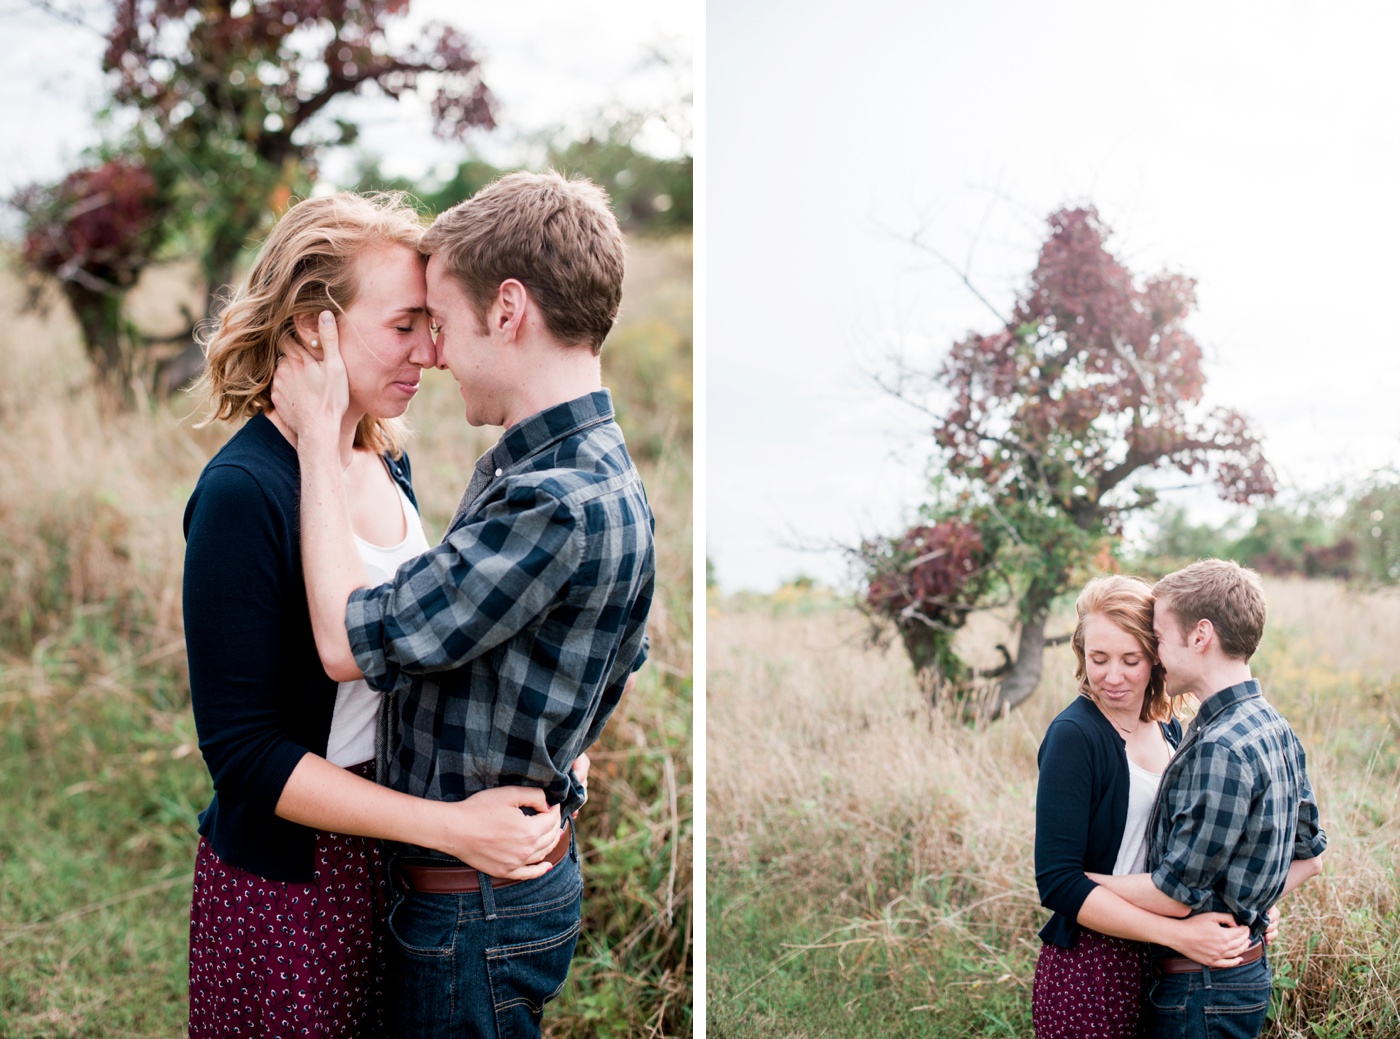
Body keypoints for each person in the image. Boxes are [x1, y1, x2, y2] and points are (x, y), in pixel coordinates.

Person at [271, 170, 655, 1038]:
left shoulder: (552, 500)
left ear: (509, 309)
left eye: (437, 321)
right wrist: (562, 752)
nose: (432, 353)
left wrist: (323, 441)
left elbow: (343, 640)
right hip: (488, 894)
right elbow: (617, 654)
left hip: (473, 914)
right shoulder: (587, 464)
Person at [183, 191, 569, 1039]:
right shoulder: (242, 491)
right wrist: (447, 826)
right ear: (310, 331)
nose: (432, 352)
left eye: (432, 323)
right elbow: (243, 752)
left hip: (398, 859)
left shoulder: (383, 454)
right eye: (404, 325)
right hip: (295, 885)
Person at [1088, 560, 1326, 1039]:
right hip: (1240, 978)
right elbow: (1309, 859)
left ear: (1200, 636)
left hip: (1202, 992)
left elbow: (1174, 899)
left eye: (1158, 637)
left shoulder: (1220, 745)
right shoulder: (1271, 725)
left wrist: (1081, 882)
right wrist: (1249, 911)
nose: (1154, 654)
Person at [1033, 575, 1258, 1039]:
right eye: (1098, 659)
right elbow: (1057, 881)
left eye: (1130, 659)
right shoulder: (1075, 736)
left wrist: (1246, 915)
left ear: (1156, 654)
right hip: (1093, 965)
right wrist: (1177, 934)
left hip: (1167, 965)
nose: (1112, 676)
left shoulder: (1170, 730)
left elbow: (1199, 847)